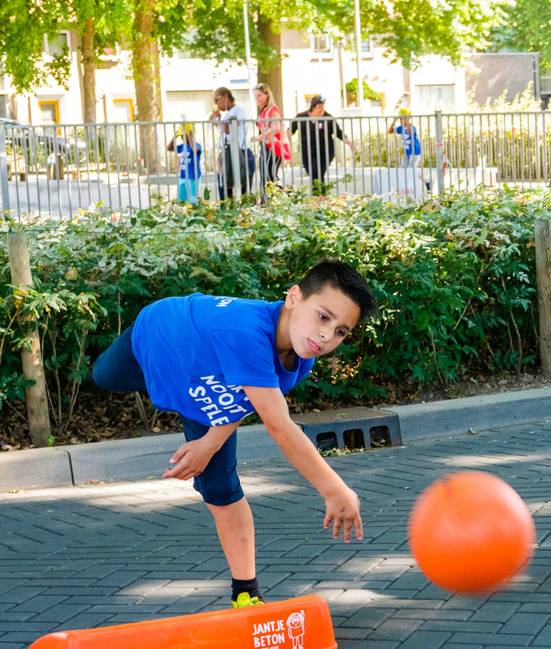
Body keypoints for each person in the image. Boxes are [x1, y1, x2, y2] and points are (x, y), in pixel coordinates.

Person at [90, 261, 378, 608]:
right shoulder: (246, 332)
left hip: (203, 393)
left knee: (221, 489)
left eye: (341, 331)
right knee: (100, 375)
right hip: (154, 342)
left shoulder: (300, 359)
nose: (326, 336)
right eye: (322, 317)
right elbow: (279, 426)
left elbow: (244, 398)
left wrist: (209, 445)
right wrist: (334, 489)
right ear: (293, 297)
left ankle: (246, 594)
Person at [291, 96, 357, 195]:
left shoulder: (328, 118)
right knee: (314, 175)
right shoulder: (301, 117)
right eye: (319, 107)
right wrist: (285, 144)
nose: (322, 109)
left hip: (325, 151)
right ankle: (322, 197)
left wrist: (350, 143)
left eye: (323, 107)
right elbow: (290, 130)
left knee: (316, 172)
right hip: (307, 151)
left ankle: (318, 197)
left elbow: (339, 133)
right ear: (313, 107)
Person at [209, 87, 255, 200]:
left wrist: (219, 121)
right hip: (228, 152)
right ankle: (227, 211)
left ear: (225, 97)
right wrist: (215, 116)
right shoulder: (227, 114)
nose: (216, 103)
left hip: (241, 152)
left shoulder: (239, 110)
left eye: (216, 100)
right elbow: (215, 123)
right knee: (224, 186)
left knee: (244, 188)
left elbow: (230, 129)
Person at [252, 83, 290, 191]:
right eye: (256, 96)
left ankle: (283, 196)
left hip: (275, 146)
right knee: (265, 175)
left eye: (259, 96)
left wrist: (259, 137)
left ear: (267, 95)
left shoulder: (273, 110)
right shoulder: (264, 110)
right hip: (267, 146)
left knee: (269, 176)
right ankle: (267, 201)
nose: (257, 99)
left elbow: (276, 127)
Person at [166, 123, 203, 204]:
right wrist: (175, 136)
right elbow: (169, 148)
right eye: (182, 135)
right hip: (183, 176)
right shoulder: (182, 146)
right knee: (182, 200)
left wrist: (189, 134)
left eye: (184, 134)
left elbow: (195, 150)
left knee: (192, 201)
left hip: (193, 177)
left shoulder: (197, 145)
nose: (183, 136)